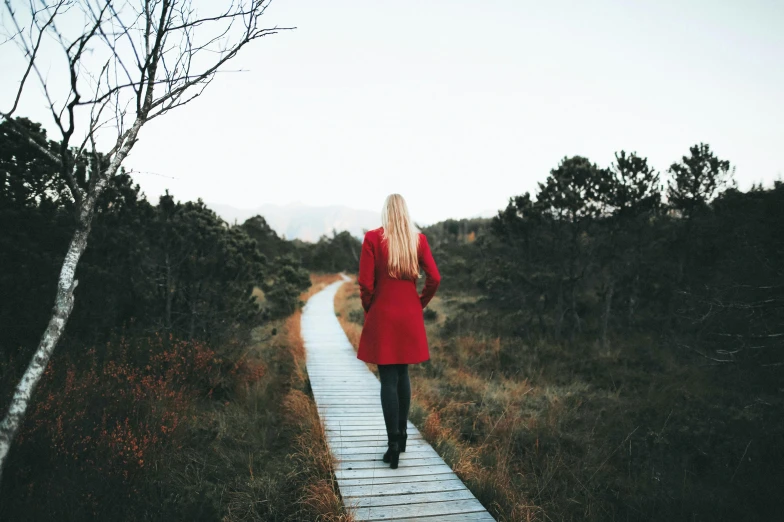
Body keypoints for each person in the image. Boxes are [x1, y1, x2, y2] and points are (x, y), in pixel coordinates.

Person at [356, 193, 441, 469]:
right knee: (403, 373)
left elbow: (366, 284)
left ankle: (392, 443)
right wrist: (420, 304)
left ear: (385, 212)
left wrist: (372, 310)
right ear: (405, 213)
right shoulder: (418, 240)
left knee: (388, 378)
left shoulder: (372, 239)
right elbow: (435, 278)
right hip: (409, 316)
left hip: (383, 314)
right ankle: (403, 436)